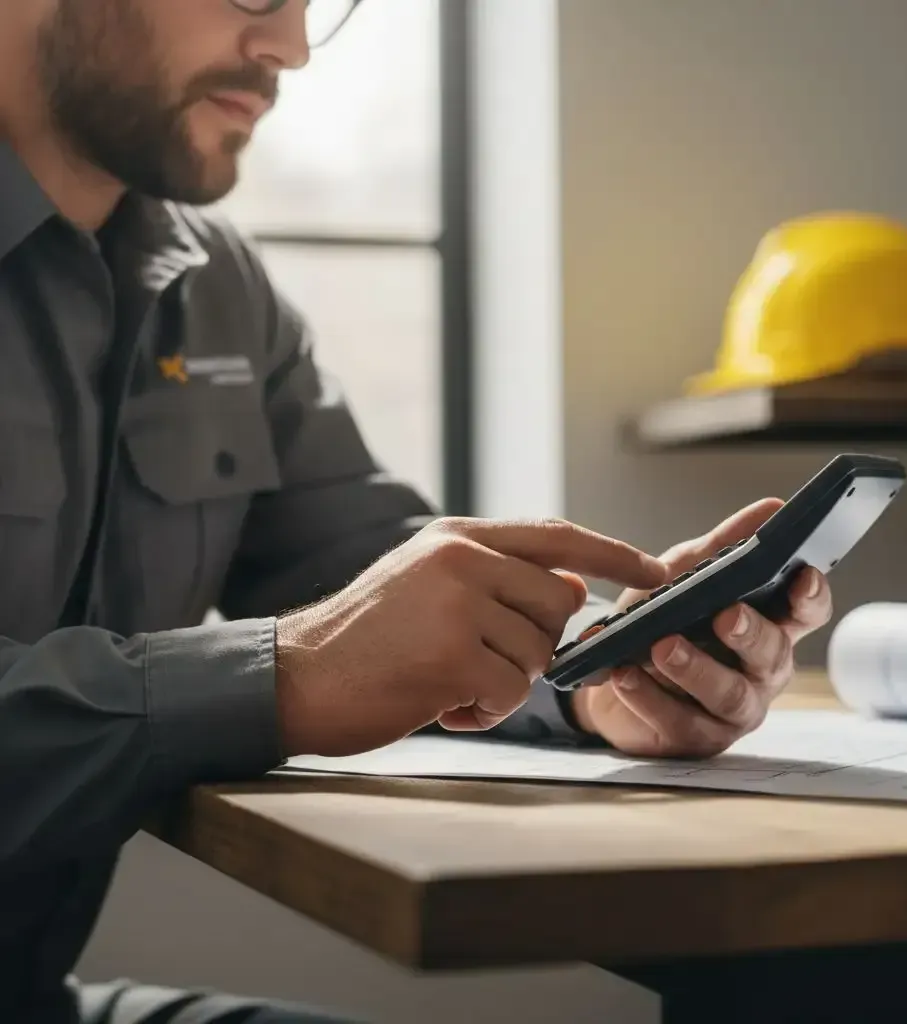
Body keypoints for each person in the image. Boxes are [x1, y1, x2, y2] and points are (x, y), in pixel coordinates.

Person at [0, 1, 834, 1021]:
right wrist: (284, 674)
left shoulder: (216, 288)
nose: (290, 49)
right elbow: (327, 645)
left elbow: (358, 574)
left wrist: (600, 675)